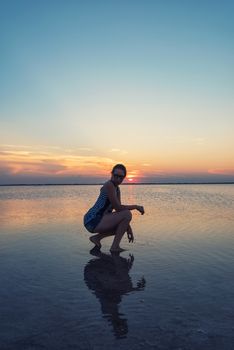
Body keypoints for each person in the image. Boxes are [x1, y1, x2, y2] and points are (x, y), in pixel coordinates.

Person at [83, 164, 145, 252]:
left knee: (122, 223)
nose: (118, 179)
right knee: (127, 213)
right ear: (111, 174)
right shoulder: (109, 185)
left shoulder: (117, 189)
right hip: (93, 220)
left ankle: (96, 238)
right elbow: (119, 208)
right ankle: (114, 247)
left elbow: (119, 211)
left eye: (121, 177)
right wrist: (136, 206)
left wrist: (128, 229)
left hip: (97, 220)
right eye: (116, 176)